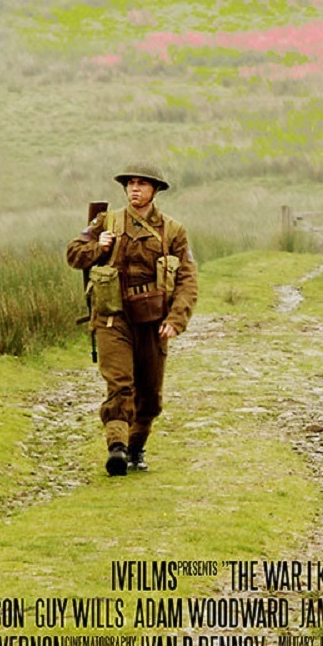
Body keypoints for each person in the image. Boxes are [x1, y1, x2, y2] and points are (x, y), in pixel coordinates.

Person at [67, 165, 198, 475]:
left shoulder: (173, 230)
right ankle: (117, 448)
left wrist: (176, 319)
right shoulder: (106, 221)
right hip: (113, 317)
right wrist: (97, 247)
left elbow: (188, 279)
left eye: (142, 184)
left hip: (153, 320)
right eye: (130, 183)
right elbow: (73, 254)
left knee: (149, 396)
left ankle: (136, 447)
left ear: (155, 190)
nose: (134, 189)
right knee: (120, 384)